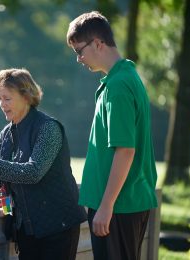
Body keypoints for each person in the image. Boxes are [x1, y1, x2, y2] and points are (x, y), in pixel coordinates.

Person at [0, 68, 87, 260]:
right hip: (28, 228)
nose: (2, 104)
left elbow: (33, 172)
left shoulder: (48, 128)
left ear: (26, 97)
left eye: (7, 98)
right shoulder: (6, 133)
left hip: (58, 225)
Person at [66, 11, 158, 260]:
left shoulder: (118, 87)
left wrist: (106, 207)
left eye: (79, 51)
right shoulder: (122, 78)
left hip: (118, 205)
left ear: (98, 43)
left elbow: (126, 150)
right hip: (118, 204)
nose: (79, 59)